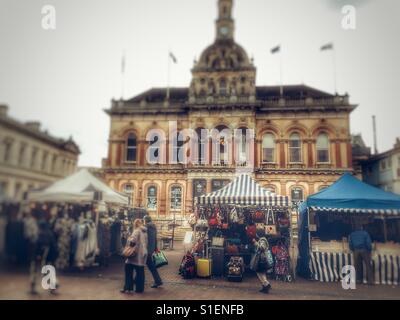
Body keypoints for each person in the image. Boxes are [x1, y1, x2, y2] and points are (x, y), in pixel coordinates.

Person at [121, 219, 148, 294]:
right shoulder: (145, 231)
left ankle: (128, 287)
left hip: (134, 255)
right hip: (142, 254)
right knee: (140, 272)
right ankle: (139, 289)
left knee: (128, 269)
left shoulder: (136, 231)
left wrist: (128, 239)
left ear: (135, 224)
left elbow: (132, 241)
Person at [143, 215, 163, 288]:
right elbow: (155, 238)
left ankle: (158, 281)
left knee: (147, 265)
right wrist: (155, 247)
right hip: (151, 249)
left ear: (145, 220)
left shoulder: (145, 227)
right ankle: (137, 279)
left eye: (144, 220)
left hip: (146, 249)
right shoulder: (154, 227)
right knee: (144, 264)